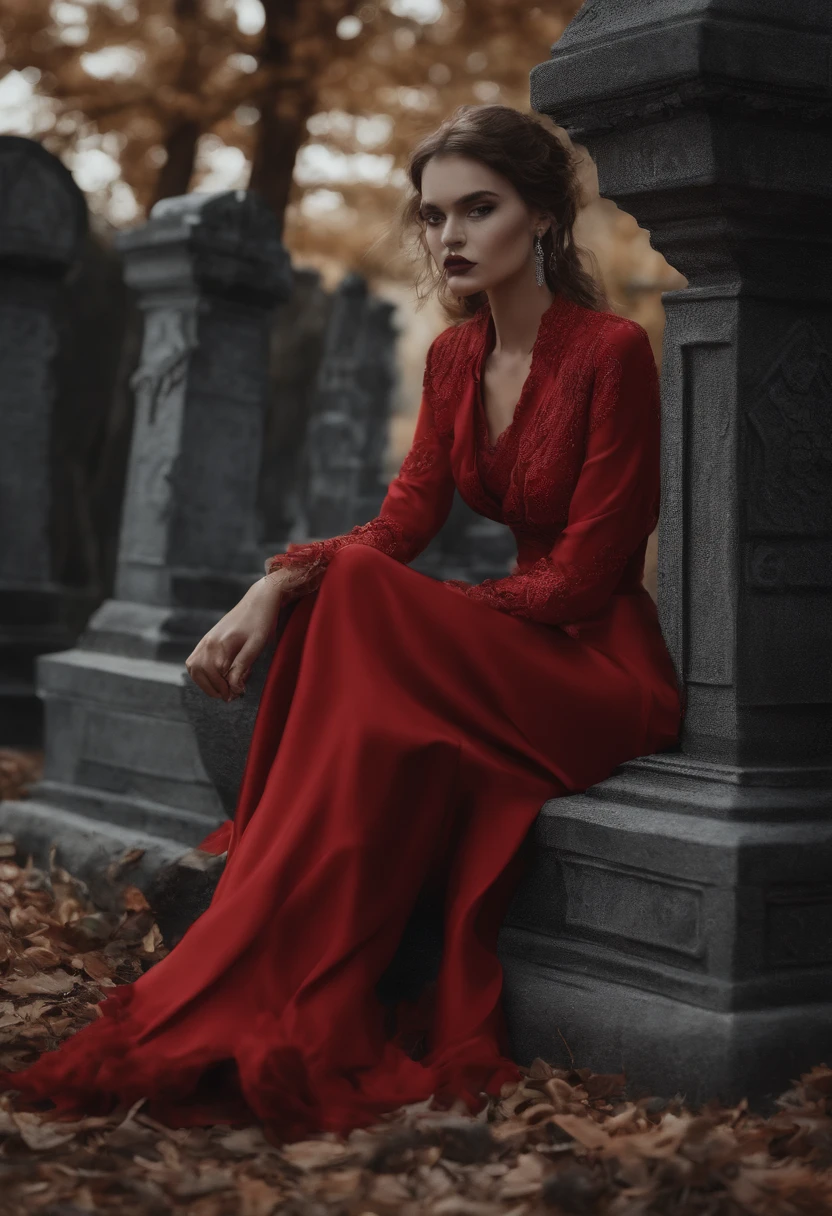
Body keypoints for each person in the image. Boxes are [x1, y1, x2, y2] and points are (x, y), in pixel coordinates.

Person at [0, 104, 682, 1142]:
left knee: (358, 597)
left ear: (542, 216)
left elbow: (586, 578)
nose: (448, 235)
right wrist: (274, 584)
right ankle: (283, 956)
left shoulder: (612, 352)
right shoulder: (453, 362)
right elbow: (402, 521)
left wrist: (391, 608)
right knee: (347, 594)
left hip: (595, 671)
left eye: (478, 208)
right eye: (433, 214)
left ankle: (262, 892)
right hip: (501, 652)